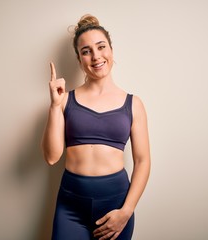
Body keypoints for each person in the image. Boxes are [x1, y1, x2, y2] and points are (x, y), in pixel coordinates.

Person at [41, 14, 151, 240]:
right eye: (86, 51)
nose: (96, 56)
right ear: (79, 59)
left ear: (111, 50)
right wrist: (54, 106)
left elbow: (143, 161)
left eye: (101, 47)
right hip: (70, 208)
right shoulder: (64, 101)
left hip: (117, 206)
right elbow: (51, 157)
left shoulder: (134, 104)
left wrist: (126, 211)